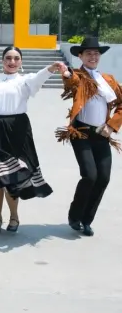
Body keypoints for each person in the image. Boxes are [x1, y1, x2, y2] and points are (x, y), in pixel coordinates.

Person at [0, 46, 67, 234]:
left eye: (16, 58)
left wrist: (51, 68)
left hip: (18, 130)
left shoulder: (25, 81)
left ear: (21, 62)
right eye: (8, 58)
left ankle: (14, 216)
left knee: (13, 177)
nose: (12, 62)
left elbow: (38, 78)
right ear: (2, 60)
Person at [55, 37, 122, 237]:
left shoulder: (108, 80)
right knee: (90, 175)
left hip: (102, 134)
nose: (93, 57)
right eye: (88, 53)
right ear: (80, 56)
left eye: (96, 53)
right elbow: (71, 82)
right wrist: (66, 73)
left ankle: (86, 220)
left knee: (103, 178)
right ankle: (74, 216)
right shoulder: (78, 75)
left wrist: (111, 126)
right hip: (81, 132)